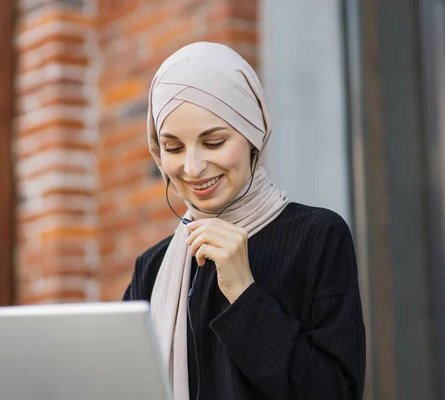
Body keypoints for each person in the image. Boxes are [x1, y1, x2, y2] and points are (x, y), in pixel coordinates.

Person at [122, 42, 366, 400]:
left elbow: (335, 392)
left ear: (254, 135)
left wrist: (244, 293)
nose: (191, 168)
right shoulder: (153, 268)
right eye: (173, 148)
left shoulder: (317, 238)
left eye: (215, 142)